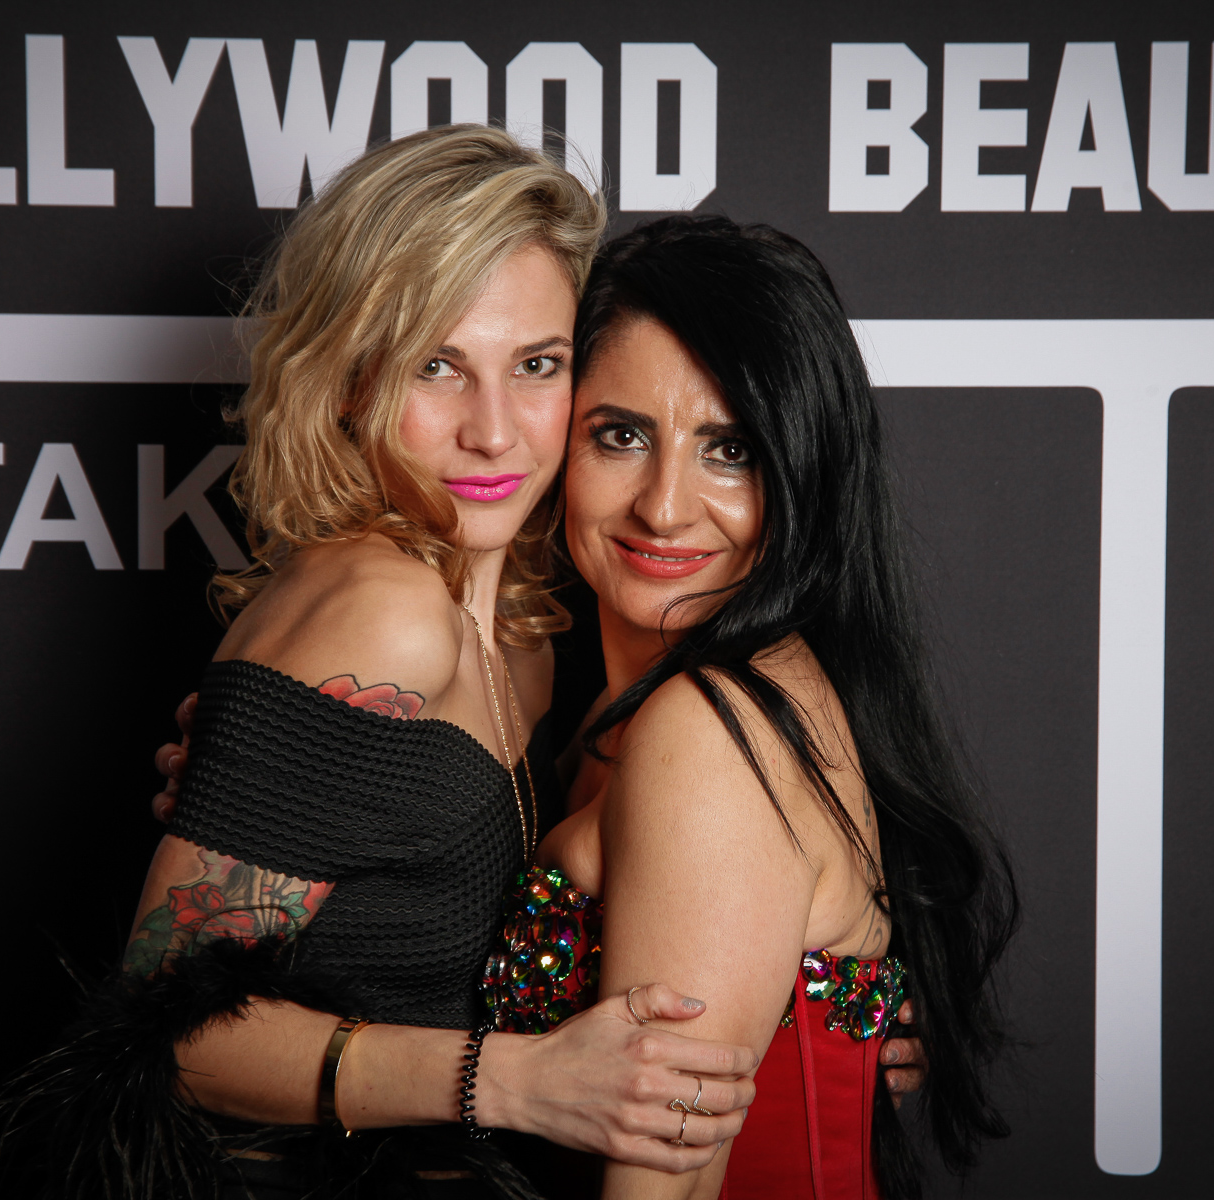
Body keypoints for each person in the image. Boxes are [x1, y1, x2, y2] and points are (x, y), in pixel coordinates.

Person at [0, 127, 762, 1200]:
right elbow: (164, 1037)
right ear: (348, 379)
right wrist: (513, 1082)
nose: (493, 432)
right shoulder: (381, 614)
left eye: (536, 366)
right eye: (435, 366)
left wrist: (835, 1001)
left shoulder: (529, 621)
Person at [478, 215, 1019, 1199]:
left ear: (803, 472)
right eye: (621, 436)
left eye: (728, 449)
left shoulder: (708, 732)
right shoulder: (601, 703)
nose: (664, 506)